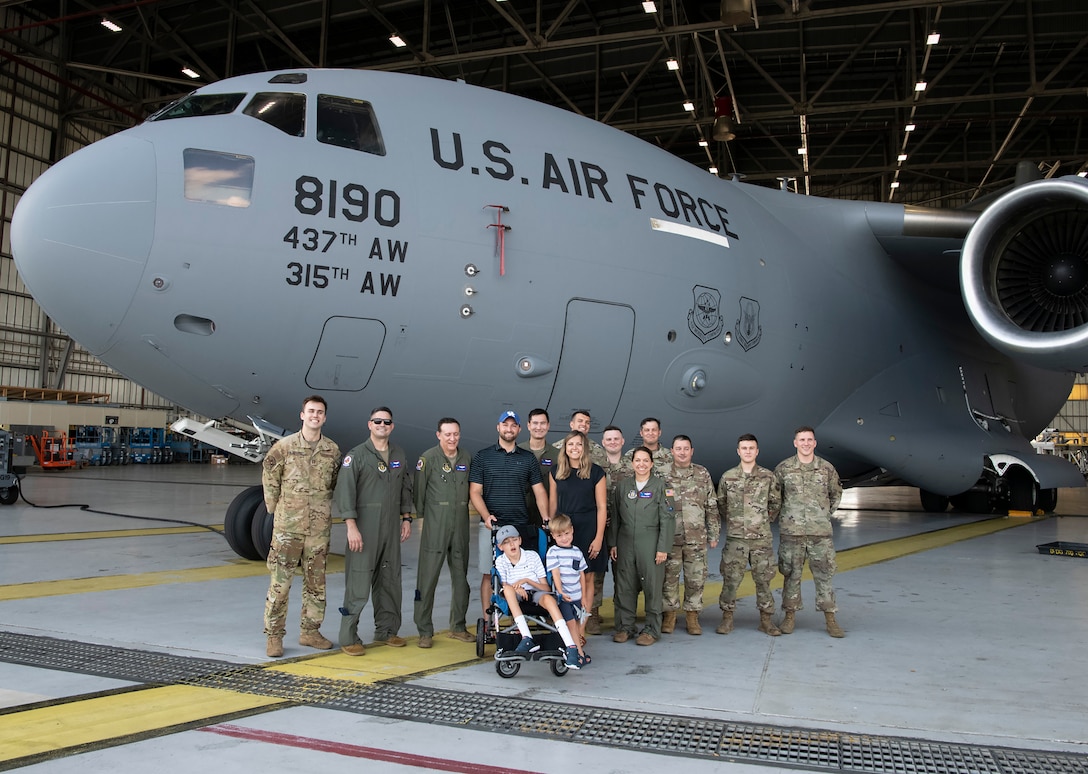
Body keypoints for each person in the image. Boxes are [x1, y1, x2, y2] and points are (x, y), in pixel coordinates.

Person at [261, 395, 341, 658]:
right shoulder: (284, 447)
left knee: (316, 584)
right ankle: (274, 636)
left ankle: (310, 632)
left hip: (318, 531)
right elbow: (270, 476)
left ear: (325, 417)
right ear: (302, 415)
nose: (315, 416)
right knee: (280, 585)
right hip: (288, 529)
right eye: (311, 411)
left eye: (320, 412)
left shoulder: (332, 450)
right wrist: (277, 510)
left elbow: (334, 483)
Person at [336, 407, 414, 655]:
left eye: (387, 421)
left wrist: (406, 518)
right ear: (369, 424)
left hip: (391, 527)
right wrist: (351, 527)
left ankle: (387, 631)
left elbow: (405, 488)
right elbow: (345, 492)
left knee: (390, 580)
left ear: (392, 426)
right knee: (359, 581)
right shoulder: (356, 455)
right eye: (377, 421)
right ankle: (348, 636)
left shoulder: (399, 453)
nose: (382, 424)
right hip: (364, 527)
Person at [470, 411, 550, 619]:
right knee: (490, 573)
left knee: (523, 573)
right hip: (491, 526)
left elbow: (539, 490)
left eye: (513, 425)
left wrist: (546, 518)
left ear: (519, 430)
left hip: (520, 526)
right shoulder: (483, 456)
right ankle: (489, 622)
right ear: (498, 427)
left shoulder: (527, 458)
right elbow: (475, 492)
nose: (509, 429)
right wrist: (486, 516)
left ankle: (524, 616)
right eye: (505, 425)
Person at [774, 426, 845, 638]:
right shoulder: (784, 469)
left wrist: (822, 515)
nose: (806, 443)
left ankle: (830, 618)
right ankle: (789, 617)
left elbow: (836, 494)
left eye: (809, 440)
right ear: (795, 443)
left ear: (815, 443)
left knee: (824, 576)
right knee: (791, 576)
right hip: (792, 533)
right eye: (802, 440)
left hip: (819, 534)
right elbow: (775, 498)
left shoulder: (826, 469)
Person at [412, 417, 474, 648]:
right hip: (435, 526)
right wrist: (424, 520)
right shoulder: (428, 459)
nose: (452, 438)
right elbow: (419, 493)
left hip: (460, 526)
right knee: (427, 579)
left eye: (456, 434)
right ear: (438, 435)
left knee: (461, 580)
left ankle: (458, 626)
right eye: (447, 434)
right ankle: (424, 631)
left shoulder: (466, 457)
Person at [607, 446, 676, 646]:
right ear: (632, 463)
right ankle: (624, 627)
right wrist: (613, 543)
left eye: (646, 460)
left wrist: (663, 547)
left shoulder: (662, 486)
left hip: (651, 541)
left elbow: (668, 519)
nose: (641, 464)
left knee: (652, 587)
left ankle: (651, 630)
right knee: (624, 586)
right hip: (625, 541)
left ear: (652, 464)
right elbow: (616, 518)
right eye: (638, 460)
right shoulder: (623, 487)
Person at [717, 433, 782, 636]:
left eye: (751, 448)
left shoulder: (768, 476)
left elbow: (775, 503)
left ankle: (766, 620)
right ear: (738, 451)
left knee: (764, 580)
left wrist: (760, 522)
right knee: (730, 580)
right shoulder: (728, 477)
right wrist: (738, 523)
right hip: (736, 539)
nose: (747, 451)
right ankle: (727, 619)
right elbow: (722, 503)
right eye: (744, 448)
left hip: (761, 539)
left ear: (757, 451)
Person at [493, 524, 581, 670]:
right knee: (507, 590)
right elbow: (505, 586)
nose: (511, 544)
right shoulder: (501, 561)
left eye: (514, 540)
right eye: (506, 543)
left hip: (536, 593)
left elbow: (546, 587)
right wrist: (518, 588)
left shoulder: (532, 556)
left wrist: (527, 581)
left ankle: (571, 647)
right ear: (500, 547)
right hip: (515, 595)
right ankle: (527, 638)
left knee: (549, 599)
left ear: (520, 540)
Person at [661, 435, 720, 636]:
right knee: (669, 578)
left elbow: (711, 504)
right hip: (670, 538)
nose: (682, 452)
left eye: (686, 448)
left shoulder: (702, 473)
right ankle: (669, 615)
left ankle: (692, 617)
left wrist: (714, 533)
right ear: (672, 451)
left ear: (691, 451)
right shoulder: (662, 474)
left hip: (696, 538)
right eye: (678, 448)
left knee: (696, 579)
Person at [548, 431, 607, 621]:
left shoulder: (596, 472)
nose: (575, 448)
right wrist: (553, 532)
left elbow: (601, 507)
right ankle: (568, 619)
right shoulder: (555, 472)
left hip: (588, 529)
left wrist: (598, 538)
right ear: (565, 448)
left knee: (587, 577)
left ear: (585, 448)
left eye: (579, 444)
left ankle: (583, 624)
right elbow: (553, 505)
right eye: (571, 444)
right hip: (564, 530)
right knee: (564, 576)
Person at [587, 424, 632, 635]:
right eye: (609, 439)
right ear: (603, 443)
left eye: (616, 439)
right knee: (595, 572)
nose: (613, 442)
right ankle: (593, 615)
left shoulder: (632, 467)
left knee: (623, 574)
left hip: (624, 529)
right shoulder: (595, 467)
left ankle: (622, 616)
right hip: (599, 528)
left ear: (623, 442)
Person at [545, 513, 590, 665]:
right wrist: (560, 591)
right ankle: (578, 653)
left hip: (577, 596)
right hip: (564, 597)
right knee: (570, 624)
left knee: (576, 624)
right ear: (553, 536)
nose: (564, 538)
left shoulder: (577, 552)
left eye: (566, 533)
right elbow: (555, 573)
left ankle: (575, 650)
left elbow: (581, 575)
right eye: (559, 535)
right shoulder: (553, 552)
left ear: (572, 530)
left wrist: (583, 596)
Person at [519, 408, 556, 528]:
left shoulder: (557, 455)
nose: (539, 427)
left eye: (543, 423)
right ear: (528, 426)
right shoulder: (517, 451)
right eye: (535, 423)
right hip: (521, 512)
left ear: (548, 426)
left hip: (546, 516)